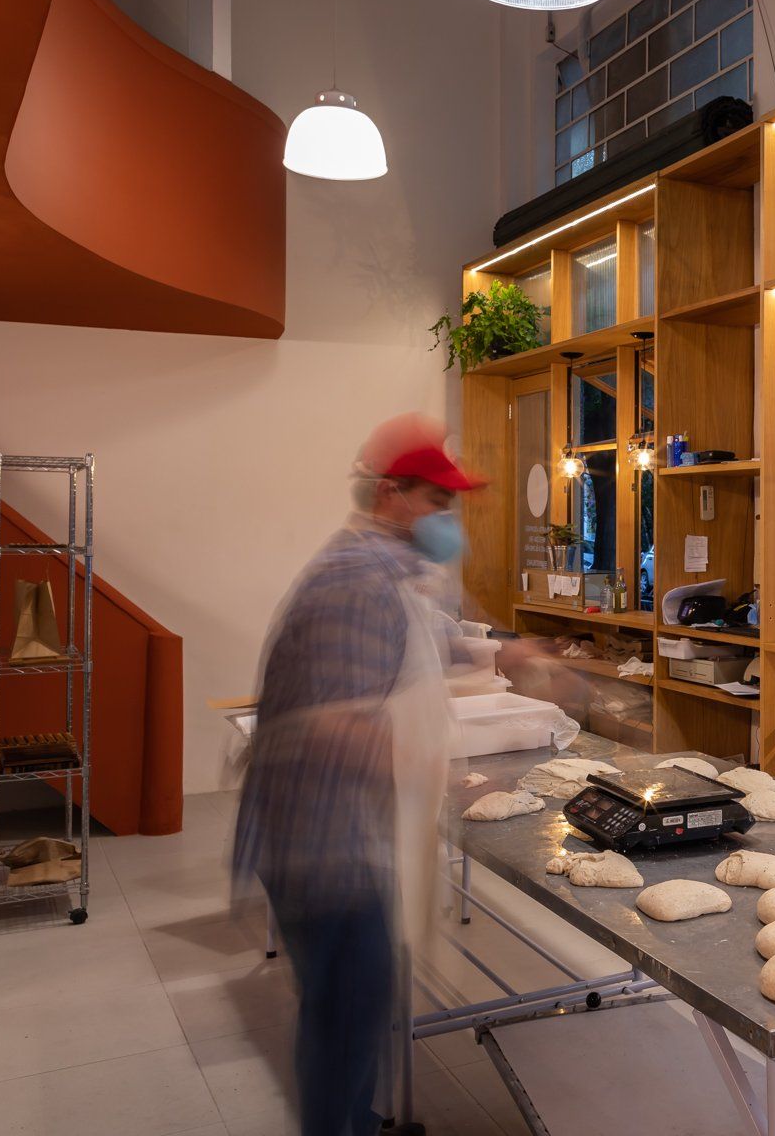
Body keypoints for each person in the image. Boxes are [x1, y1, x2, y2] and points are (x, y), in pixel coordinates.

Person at [232, 414, 481, 1136]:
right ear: (390, 494)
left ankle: (357, 1123)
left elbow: (420, 639)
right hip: (327, 847)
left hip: (342, 836)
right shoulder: (357, 582)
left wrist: (512, 653)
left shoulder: (385, 572)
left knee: (356, 1008)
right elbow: (331, 724)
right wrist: (442, 772)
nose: (447, 520)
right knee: (346, 1016)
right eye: (438, 502)